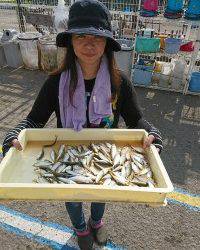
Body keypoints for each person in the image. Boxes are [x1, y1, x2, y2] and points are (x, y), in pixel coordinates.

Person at [2, 0, 163, 249]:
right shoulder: (55, 83)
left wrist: (151, 132)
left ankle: (96, 222)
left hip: (106, 155)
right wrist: (14, 134)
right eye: (81, 36)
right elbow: (34, 119)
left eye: (97, 37)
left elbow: (136, 120)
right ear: (71, 42)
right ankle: (80, 228)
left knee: (101, 191)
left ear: (107, 44)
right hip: (68, 156)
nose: (89, 44)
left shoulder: (120, 83)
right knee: (72, 196)